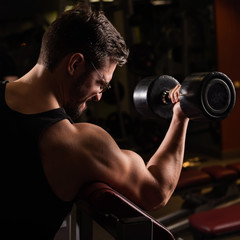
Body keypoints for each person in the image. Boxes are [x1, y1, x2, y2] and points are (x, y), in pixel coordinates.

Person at [0, 3, 189, 239]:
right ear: (75, 64)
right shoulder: (75, 144)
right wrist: (181, 115)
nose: (99, 95)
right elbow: (156, 190)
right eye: (101, 83)